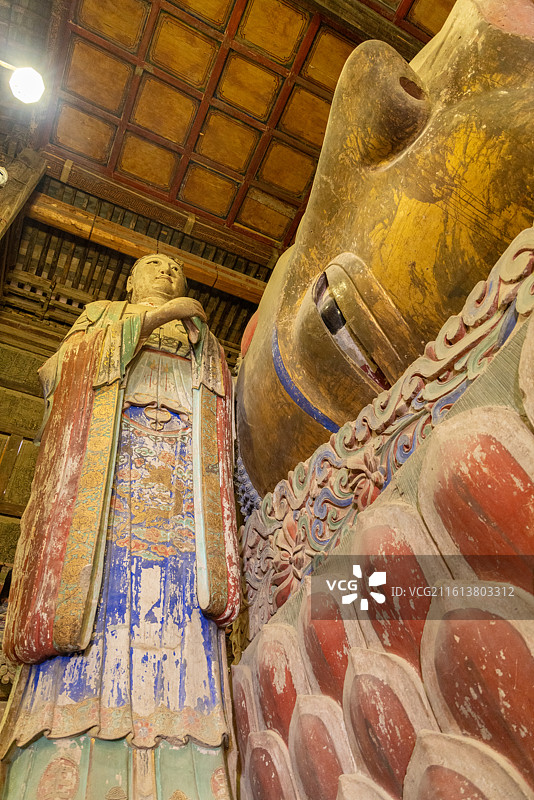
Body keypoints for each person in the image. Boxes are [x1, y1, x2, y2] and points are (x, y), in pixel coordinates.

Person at [0, 254, 240, 799]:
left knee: (184, 620)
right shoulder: (102, 314)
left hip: (182, 503)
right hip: (105, 488)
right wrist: (150, 322)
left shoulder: (199, 334)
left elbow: (223, 406)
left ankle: (188, 776)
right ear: (130, 282)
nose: (166, 271)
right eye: (153, 264)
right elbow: (56, 373)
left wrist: (199, 338)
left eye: (176, 268)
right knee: (96, 609)